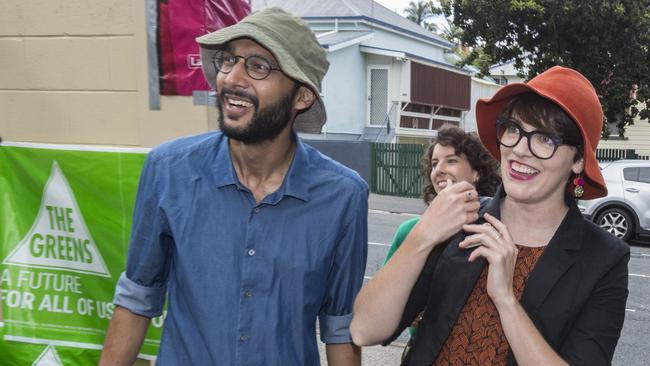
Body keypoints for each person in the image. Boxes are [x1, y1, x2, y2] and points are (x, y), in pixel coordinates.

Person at [100, 7, 368, 366]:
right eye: (229, 61)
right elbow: (137, 299)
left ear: (301, 97)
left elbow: (339, 328)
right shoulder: (168, 170)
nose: (231, 78)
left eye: (258, 66)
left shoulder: (343, 196)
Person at [350, 66, 630, 365]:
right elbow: (364, 331)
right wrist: (421, 237)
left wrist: (506, 299)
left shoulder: (603, 259)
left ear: (577, 160)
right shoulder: (459, 219)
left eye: (546, 139)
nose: (521, 149)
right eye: (513, 129)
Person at [383, 125, 501, 263]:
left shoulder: (495, 231)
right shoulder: (409, 231)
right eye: (434, 163)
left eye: (451, 161)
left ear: (477, 173)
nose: (438, 170)